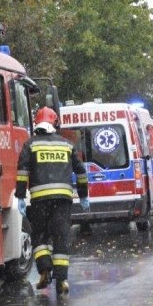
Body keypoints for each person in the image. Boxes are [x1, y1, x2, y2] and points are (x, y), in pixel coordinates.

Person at [16, 107, 89, 294]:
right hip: (63, 201)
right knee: (61, 237)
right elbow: (81, 171)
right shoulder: (67, 145)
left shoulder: (30, 145)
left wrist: (20, 196)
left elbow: (23, 172)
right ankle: (62, 280)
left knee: (39, 235)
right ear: (55, 123)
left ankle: (44, 270)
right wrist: (83, 195)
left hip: (40, 201)